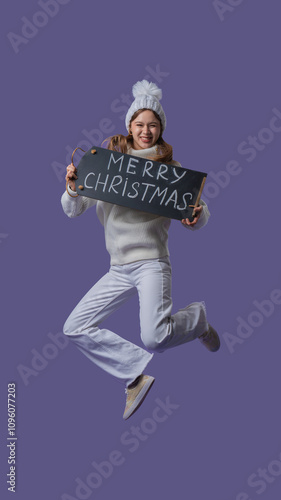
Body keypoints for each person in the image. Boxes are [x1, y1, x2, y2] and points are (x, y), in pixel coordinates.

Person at [61, 80, 220, 420]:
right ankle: (134, 376)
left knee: (155, 337)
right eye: (139, 124)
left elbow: (198, 212)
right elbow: (73, 210)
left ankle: (197, 320)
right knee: (74, 326)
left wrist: (197, 217)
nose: (146, 131)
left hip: (152, 263)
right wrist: (73, 189)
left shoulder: (171, 171)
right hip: (118, 267)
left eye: (152, 125)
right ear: (129, 127)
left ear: (160, 128)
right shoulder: (106, 164)